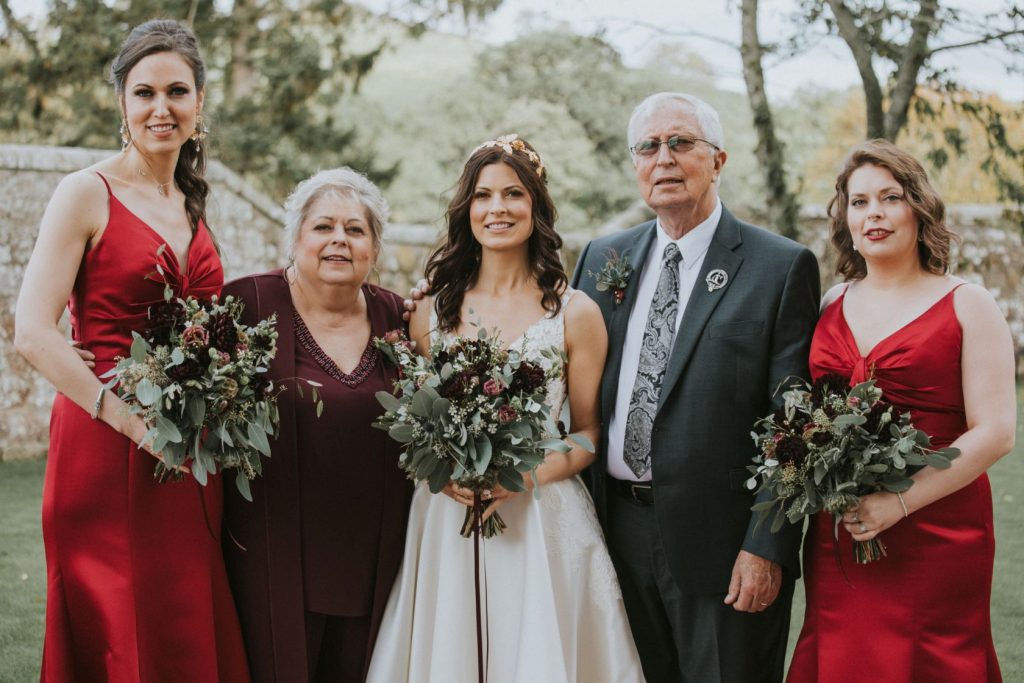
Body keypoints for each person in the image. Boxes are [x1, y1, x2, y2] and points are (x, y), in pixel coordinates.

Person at [13, 19, 250, 681]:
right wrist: (127, 418)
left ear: (199, 102)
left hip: (188, 445)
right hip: (105, 439)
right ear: (122, 102)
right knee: (117, 623)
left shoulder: (192, 203)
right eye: (144, 92)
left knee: (182, 613)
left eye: (177, 91)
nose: (161, 107)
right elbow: (31, 328)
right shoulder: (85, 191)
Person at [367, 135, 645, 682]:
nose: (498, 208)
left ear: (536, 207)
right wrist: (444, 472)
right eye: (483, 195)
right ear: (466, 209)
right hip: (448, 515)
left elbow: (589, 432)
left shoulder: (576, 311)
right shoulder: (428, 310)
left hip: (543, 518)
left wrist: (523, 475)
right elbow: (421, 420)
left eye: (513, 194)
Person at [569, 92, 821, 682]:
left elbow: (796, 423)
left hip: (725, 542)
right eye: (649, 147)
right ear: (635, 165)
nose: (664, 159)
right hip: (612, 533)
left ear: (718, 159)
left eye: (681, 143)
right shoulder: (603, 258)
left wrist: (768, 544)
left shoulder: (779, 267)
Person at [786, 140, 1015, 682]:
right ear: (846, 216)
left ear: (919, 208)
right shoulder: (831, 303)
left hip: (937, 531)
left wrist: (900, 503)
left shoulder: (968, 303)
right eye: (860, 201)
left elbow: (998, 431)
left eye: (890, 198)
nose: (875, 214)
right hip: (842, 527)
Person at [221, 167, 414, 682]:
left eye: (356, 230)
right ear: (296, 238)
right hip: (271, 553)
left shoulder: (399, 318)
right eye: (323, 227)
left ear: (374, 247)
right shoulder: (245, 305)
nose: (339, 241)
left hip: (374, 555)